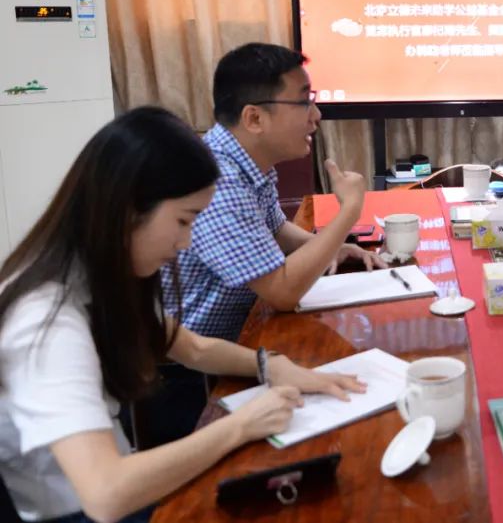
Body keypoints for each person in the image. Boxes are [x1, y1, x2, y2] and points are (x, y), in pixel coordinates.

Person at [0, 107, 365, 523]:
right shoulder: (46, 322)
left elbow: (190, 347)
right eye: (183, 220)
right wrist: (240, 426)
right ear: (129, 208)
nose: (187, 241)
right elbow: (105, 494)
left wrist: (270, 365)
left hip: (122, 481)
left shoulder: (99, 271)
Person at [149, 44, 385, 446]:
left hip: (236, 345)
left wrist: (329, 246)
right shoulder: (220, 179)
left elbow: (275, 229)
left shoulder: (247, 160)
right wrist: (347, 213)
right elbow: (282, 291)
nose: (316, 116)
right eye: (303, 102)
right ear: (254, 118)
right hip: (188, 376)